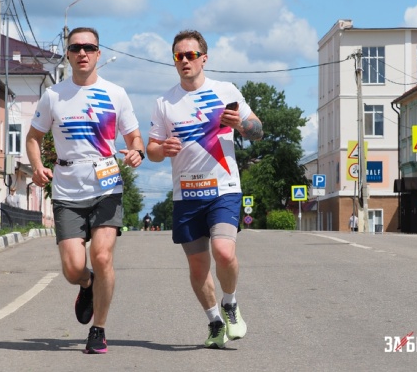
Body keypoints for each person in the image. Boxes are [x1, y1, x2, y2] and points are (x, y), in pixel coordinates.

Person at [26, 27, 144, 355]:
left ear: (98, 53)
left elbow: (135, 137)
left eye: (89, 47)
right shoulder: (54, 95)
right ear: (67, 53)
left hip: (106, 186)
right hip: (66, 189)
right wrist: (37, 166)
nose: (82, 53)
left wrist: (137, 151)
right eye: (76, 47)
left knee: (102, 256)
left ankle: (99, 329)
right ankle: (88, 283)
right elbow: (33, 138)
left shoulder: (116, 94)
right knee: (72, 269)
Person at [146, 29, 263, 349]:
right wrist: (162, 149)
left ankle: (230, 303)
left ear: (204, 58)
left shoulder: (225, 91)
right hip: (186, 194)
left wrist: (240, 124)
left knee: (224, 252)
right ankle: (214, 321)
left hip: (224, 188)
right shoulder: (164, 103)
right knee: (198, 267)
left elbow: (258, 130)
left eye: (191, 55)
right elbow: (151, 150)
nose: (184, 60)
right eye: (178, 56)